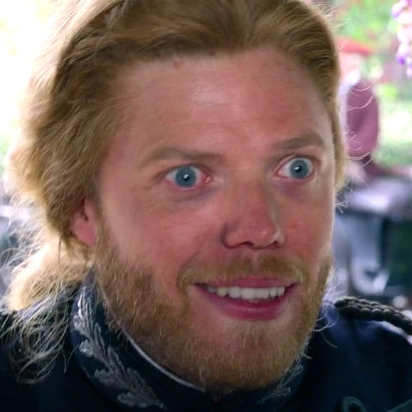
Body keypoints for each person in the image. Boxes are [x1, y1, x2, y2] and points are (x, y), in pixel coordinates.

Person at [0, 1, 411, 411]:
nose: (259, 229)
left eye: (296, 168)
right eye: (187, 177)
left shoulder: (394, 380)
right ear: (82, 208)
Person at [338, 37, 386, 182]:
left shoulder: (365, 92)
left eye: (344, 57)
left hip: (354, 162)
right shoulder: (327, 89)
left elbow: (368, 136)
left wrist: (341, 151)